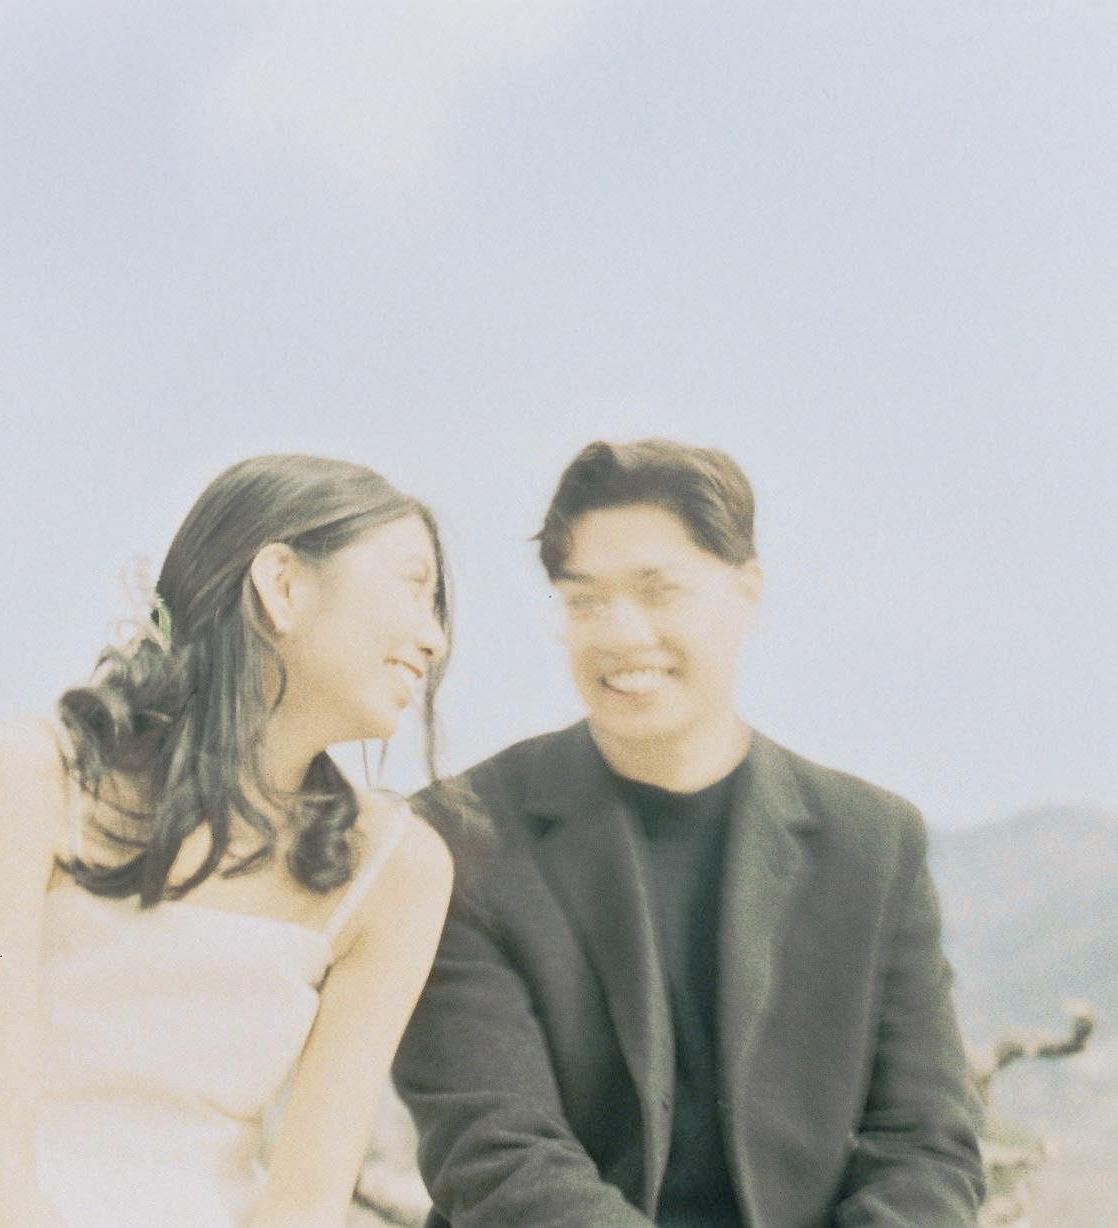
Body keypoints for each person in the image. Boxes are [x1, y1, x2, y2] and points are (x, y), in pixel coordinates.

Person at [393, 438, 986, 1227]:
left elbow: (926, 1146)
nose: (621, 633)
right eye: (584, 601)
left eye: (659, 591)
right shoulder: (460, 834)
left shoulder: (872, 843)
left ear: (748, 594)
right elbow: (495, 1153)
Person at [0, 454, 454, 1228]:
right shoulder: (32, 772)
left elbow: (305, 1202)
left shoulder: (397, 868)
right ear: (283, 585)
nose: (434, 638)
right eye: (414, 586)